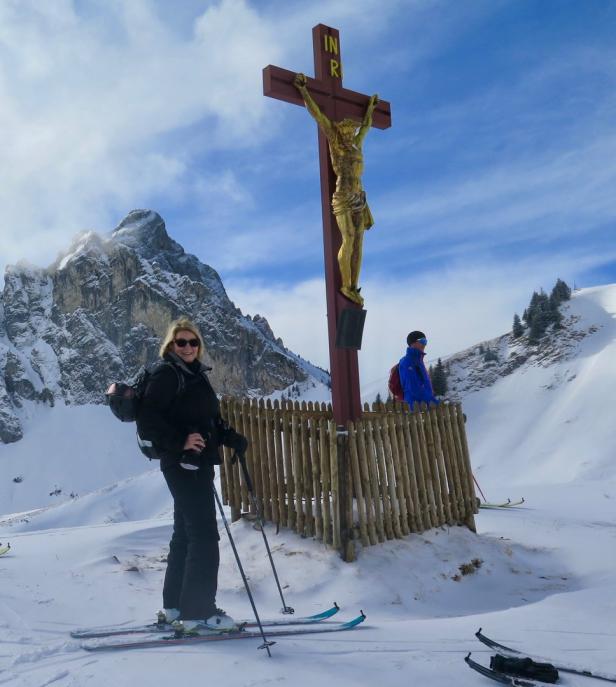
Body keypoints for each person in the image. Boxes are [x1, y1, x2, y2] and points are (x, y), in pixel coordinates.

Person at [137, 318, 248, 636]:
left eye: (192, 342)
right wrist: (181, 442)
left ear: (200, 346)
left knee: (185, 535)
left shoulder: (194, 375)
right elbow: (147, 420)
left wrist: (230, 437)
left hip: (195, 464)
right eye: (180, 342)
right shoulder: (167, 374)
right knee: (203, 535)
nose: (187, 347)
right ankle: (199, 613)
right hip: (182, 464)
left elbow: (207, 419)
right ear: (170, 346)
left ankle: (174, 608)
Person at [294, 72, 379, 307]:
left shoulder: (356, 145)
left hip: (359, 197)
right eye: (346, 129)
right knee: (348, 237)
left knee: (359, 241)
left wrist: (370, 109)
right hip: (342, 194)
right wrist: (304, 92)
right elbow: (318, 116)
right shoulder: (334, 140)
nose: (349, 131)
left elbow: (367, 127)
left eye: (351, 129)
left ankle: (353, 286)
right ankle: (345, 284)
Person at [399, 330, 439, 409]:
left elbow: (425, 386)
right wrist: (431, 402)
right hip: (417, 409)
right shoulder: (407, 362)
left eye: (426, 341)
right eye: (423, 341)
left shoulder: (419, 361)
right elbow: (413, 388)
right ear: (413, 343)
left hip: (425, 407)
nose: (425, 344)